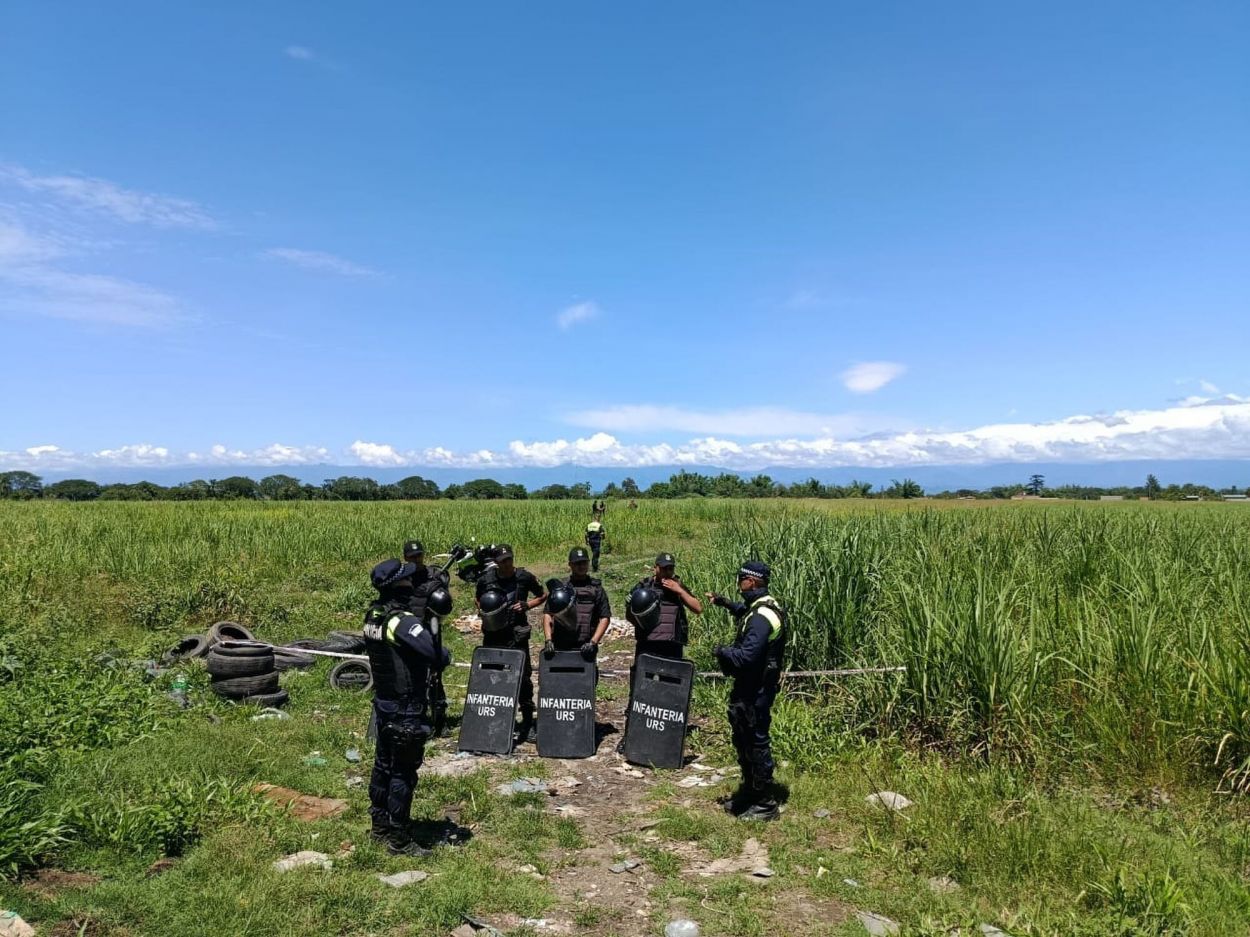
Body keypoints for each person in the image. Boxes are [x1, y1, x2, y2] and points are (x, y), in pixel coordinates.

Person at [363, 558, 452, 855]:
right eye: (406, 580)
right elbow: (438, 655)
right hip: (405, 707)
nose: (411, 583)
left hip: (384, 703)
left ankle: (379, 827)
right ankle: (399, 838)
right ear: (396, 585)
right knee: (403, 772)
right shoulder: (401, 622)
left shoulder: (374, 615)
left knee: (383, 766)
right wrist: (433, 622)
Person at [706, 560, 785, 821]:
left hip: (757, 689)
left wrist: (722, 652)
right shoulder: (761, 606)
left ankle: (765, 803)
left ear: (751, 581)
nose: (739, 584)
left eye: (741, 579)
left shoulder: (762, 617)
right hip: (750, 686)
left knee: (755, 740)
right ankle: (750, 792)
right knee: (743, 738)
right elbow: (744, 611)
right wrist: (724, 603)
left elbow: (746, 657)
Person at [620, 552, 703, 752]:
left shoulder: (677, 586)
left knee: (671, 692)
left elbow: (698, 608)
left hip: (672, 645)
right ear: (655, 568)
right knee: (638, 691)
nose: (667, 572)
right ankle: (629, 737)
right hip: (647, 645)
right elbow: (629, 612)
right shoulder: (643, 586)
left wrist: (679, 591)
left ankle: (667, 738)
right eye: (663, 568)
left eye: (670, 568)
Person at [475, 544, 546, 743]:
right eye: (502, 561)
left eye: (509, 560)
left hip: (516, 634)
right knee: (493, 675)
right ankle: (497, 718)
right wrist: (485, 612)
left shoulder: (524, 577)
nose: (507, 564)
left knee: (523, 677)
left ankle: (527, 721)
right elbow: (478, 598)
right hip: (493, 634)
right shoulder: (487, 579)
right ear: (496, 562)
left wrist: (527, 605)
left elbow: (542, 594)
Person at [401, 540, 453, 731]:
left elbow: (444, 603)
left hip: (430, 629)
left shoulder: (435, 576)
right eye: (412, 557)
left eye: (419, 555)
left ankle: (440, 717)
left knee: (435, 675)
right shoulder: (401, 578)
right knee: (412, 675)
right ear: (406, 558)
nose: (416, 559)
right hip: (408, 632)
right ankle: (417, 715)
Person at [543, 547, 611, 659]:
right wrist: (548, 640)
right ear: (570, 565)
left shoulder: (596, 589)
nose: (581, 566)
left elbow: (605, 618)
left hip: (586, 645)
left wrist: (593, 642)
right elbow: (548, 614)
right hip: (561, 644)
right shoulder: (561, 588)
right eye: (577, 563)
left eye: (584, 563)